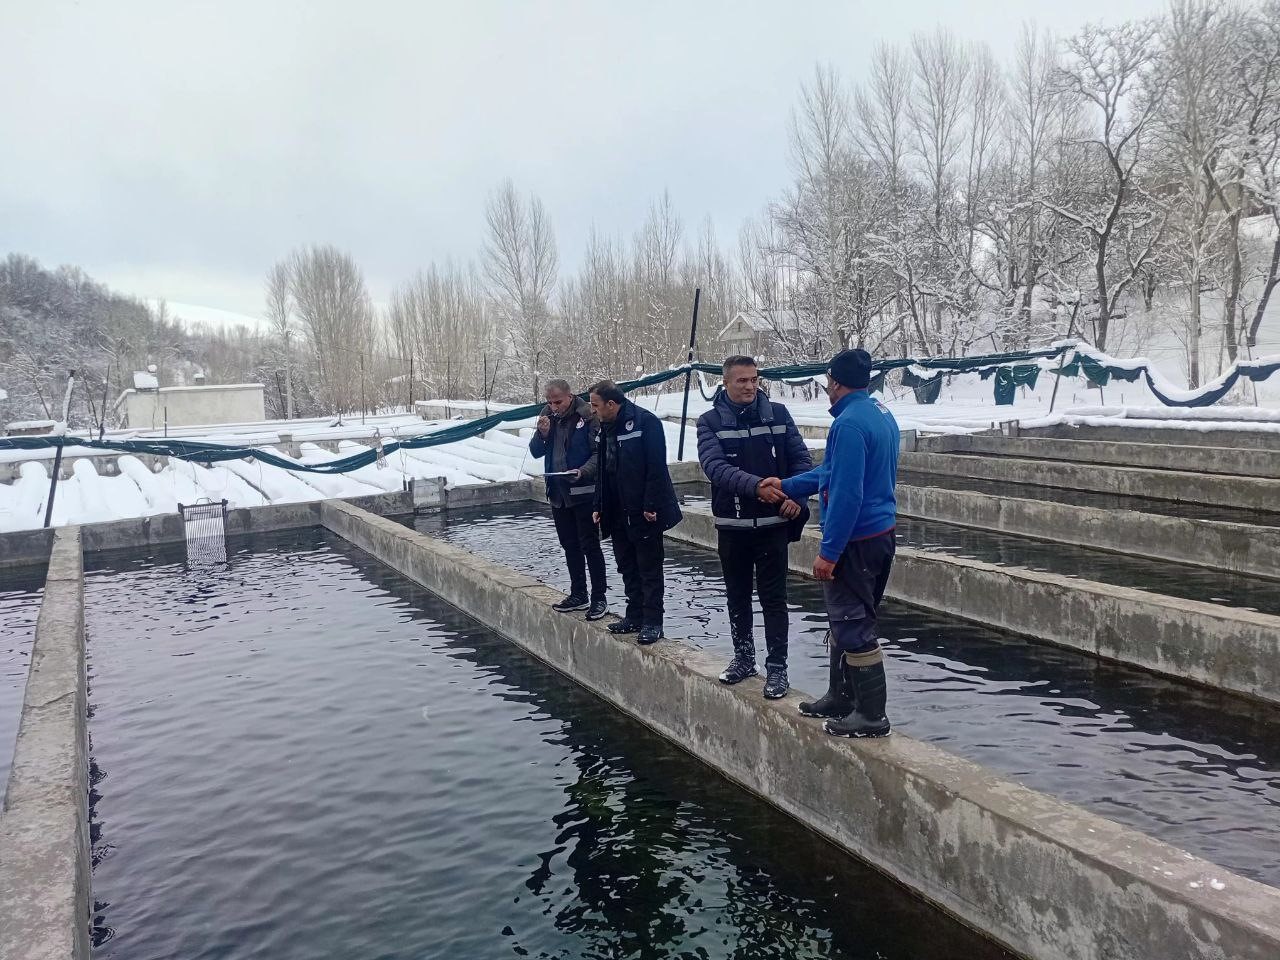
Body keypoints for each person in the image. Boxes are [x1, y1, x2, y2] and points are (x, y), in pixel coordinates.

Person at [762, 348, 899, 738]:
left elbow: (846, 494)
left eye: (827, 382)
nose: (826, 389)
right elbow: (832, 470)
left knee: (853, 625)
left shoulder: (849, 425)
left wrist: (829, 552)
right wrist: (787, 484)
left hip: (857, 540)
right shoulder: (878, 414)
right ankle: (841, 697)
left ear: (835, 382)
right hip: (879, 534)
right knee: (845, 621)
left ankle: (871, 715)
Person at [696, 355, 812, 699]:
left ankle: (777, 668)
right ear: (726, 383)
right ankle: (744, 658)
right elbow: (714, 467)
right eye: (741, 381)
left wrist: (796, 495)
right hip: (733, 527)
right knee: (738, 595)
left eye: (754, 380)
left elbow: (801, 460)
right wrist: (757, 485)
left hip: (774, 525)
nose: (749, 386)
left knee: (774, 599)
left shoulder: (778, 415)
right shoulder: (709, 422)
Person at [589, 380, 682, 645]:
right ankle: (635, 614)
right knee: (627, 565)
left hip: (642, 510)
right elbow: (603, 472)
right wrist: (598, 505)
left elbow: (656, 468)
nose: (593, 411)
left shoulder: (645, 422)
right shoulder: (605, 427)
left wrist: (650, 505)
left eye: (596, 406)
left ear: (611, 404)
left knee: (649, 567)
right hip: (617, 509)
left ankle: (653, 620)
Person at [528, 379, 608, 620]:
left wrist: (583, 471)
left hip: (583, 493)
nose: (554, 407)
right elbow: (535, 451)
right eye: (550, 402)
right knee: (569, 545)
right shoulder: (546, 416)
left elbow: (599, 454)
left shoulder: (588, 415)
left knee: (590, 545)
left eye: (558, 402)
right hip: (558, 493)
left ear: (570, 396)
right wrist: (542, 434)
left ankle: (599, 597)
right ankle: (578, 593)